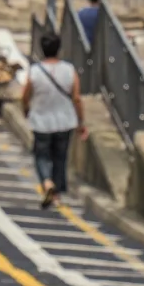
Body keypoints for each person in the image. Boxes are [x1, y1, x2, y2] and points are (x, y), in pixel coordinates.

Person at [22, 30, 87, 208]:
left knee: (41, 155)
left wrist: (26, 110)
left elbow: (26, 95)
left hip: (41, 121)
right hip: (65, 121)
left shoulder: (35, 72)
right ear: (59, 49)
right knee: (60, 157)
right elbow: (77, 98)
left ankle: (47, 183)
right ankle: (57, 194)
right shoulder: (69, 70)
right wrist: (81, 122)